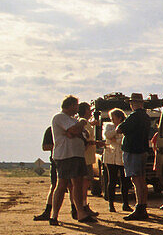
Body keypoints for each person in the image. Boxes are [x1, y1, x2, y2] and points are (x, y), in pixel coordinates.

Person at [49, 95, 96, 225]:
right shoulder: (60, 117)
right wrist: (82, 122)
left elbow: (81, 134)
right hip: (66, 155)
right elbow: (74, 130)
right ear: (70, 105)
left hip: (76, 155)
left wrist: (77, 129)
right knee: (64, 184)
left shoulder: (71, 119)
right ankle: (55, 215)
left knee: (77, 184)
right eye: (76, 105)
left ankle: (79, 212)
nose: (77, 108)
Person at [117, 93, 151, 221]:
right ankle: (142, 206)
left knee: (136, 180)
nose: (131, 105)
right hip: (142, 149)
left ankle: (140, 207)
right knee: (141, 180)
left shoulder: (134, 116)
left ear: (135, 103)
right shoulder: (146, 117)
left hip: (133, 150)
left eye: (131, 103)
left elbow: (120, 129)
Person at [102, 108, 131, 212]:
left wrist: (114, 139)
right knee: (112, 181)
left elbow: (123, 141)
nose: (112, 120)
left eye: (113, 118)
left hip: (122, 157)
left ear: (119, 118)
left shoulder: (125, 126)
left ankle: (125, 203)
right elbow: (107, 135)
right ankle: (111, 204)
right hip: (110, 157)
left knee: (124, 181)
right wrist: (115, 132)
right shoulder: (108, 126)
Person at [76, 102, 100, 219]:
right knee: (84, 184)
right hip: (85, 158)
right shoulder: (82, 123)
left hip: (89, 157)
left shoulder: (85, 123)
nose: (91, 112)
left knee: (86, 183)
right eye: (89, 110)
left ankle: (84, 205)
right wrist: (93, 143)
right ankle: (83, 206)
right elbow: (84, 138)